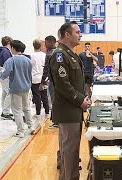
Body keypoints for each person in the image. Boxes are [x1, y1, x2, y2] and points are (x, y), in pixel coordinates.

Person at [49, 21, 91, 180]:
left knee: (69, 150)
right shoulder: (60, 55)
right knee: (70, 150)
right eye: (78, 32)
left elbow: (75, 82)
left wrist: (83, 97)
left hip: (73, 108)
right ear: (67, 34)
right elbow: (63, 84)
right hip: (68, 109)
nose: (81, 35)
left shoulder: (70, 53)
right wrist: (80, 100)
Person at [0, 40, 34, 138]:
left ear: (13, 48)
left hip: (15, 88)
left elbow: (4, 74)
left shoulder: (11, 60)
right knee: (26, 108)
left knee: (17, 110)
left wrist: (0, 73)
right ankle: (31, 127)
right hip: (26, 88)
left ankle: (20, 131)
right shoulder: (28, 60)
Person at [30, 39, 49, 118]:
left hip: (34, 78)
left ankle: (38, 112)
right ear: (41, 46)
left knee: (36, 96)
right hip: (43, 78)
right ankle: (47, 112)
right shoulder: (44, 55)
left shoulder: (31, 55)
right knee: (44, 95)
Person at [42, 35, 58, 128]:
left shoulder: (49, 54)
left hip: (52, 81)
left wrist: (43, 82)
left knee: (53, 101)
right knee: (57, 101)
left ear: (52, 43)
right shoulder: (59, 52)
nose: (45, 44)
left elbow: (46, 70)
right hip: (59, 81)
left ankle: (56, 122)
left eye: (46, 42)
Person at [0, 36, 14, 120]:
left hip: (2, 73)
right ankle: (5, 112)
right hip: (5, 74)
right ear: (8, 43)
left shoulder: (3, 51)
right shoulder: (6, 52)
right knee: (10, 92)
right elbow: (8, 65)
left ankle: (4, 110)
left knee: (5, 92)